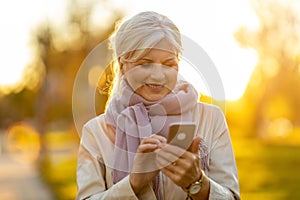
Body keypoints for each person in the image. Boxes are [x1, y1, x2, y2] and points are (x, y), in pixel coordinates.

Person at [76, 11, 240, 200]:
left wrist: (197, 182)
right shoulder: (95, 132)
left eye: (168, 64)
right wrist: (134, 183)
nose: (158, 76)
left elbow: (232, 196)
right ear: (122, 65)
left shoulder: (211, 118)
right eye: (145, 63)